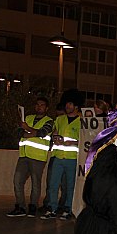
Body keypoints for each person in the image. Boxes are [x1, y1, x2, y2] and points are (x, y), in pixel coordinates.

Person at [7, 97, 54, 218]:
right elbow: (18, 133)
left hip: (38, 157)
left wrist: (27, 129)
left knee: (35, 183)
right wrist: (31, 133)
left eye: (42, 105)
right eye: (37, 104)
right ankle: (20, 207)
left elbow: (42, 132)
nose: (39, 107)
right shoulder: (28, 118)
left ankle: (33, 207)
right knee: (17, 180)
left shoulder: (49, 121)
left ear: (46, 108)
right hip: (23, 155)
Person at [41, 89, 82, 221]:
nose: (67, 106)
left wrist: (73, 142)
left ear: (76, 106)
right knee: (53, 184)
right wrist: (55, 138)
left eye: (70, 104)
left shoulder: (83, 121)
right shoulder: (59, 119)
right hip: (58, 156)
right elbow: (54, 133)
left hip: (72, 159)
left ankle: (67, 209)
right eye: (66, 104)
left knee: (70, 186)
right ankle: (52, 209)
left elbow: (85, 141)